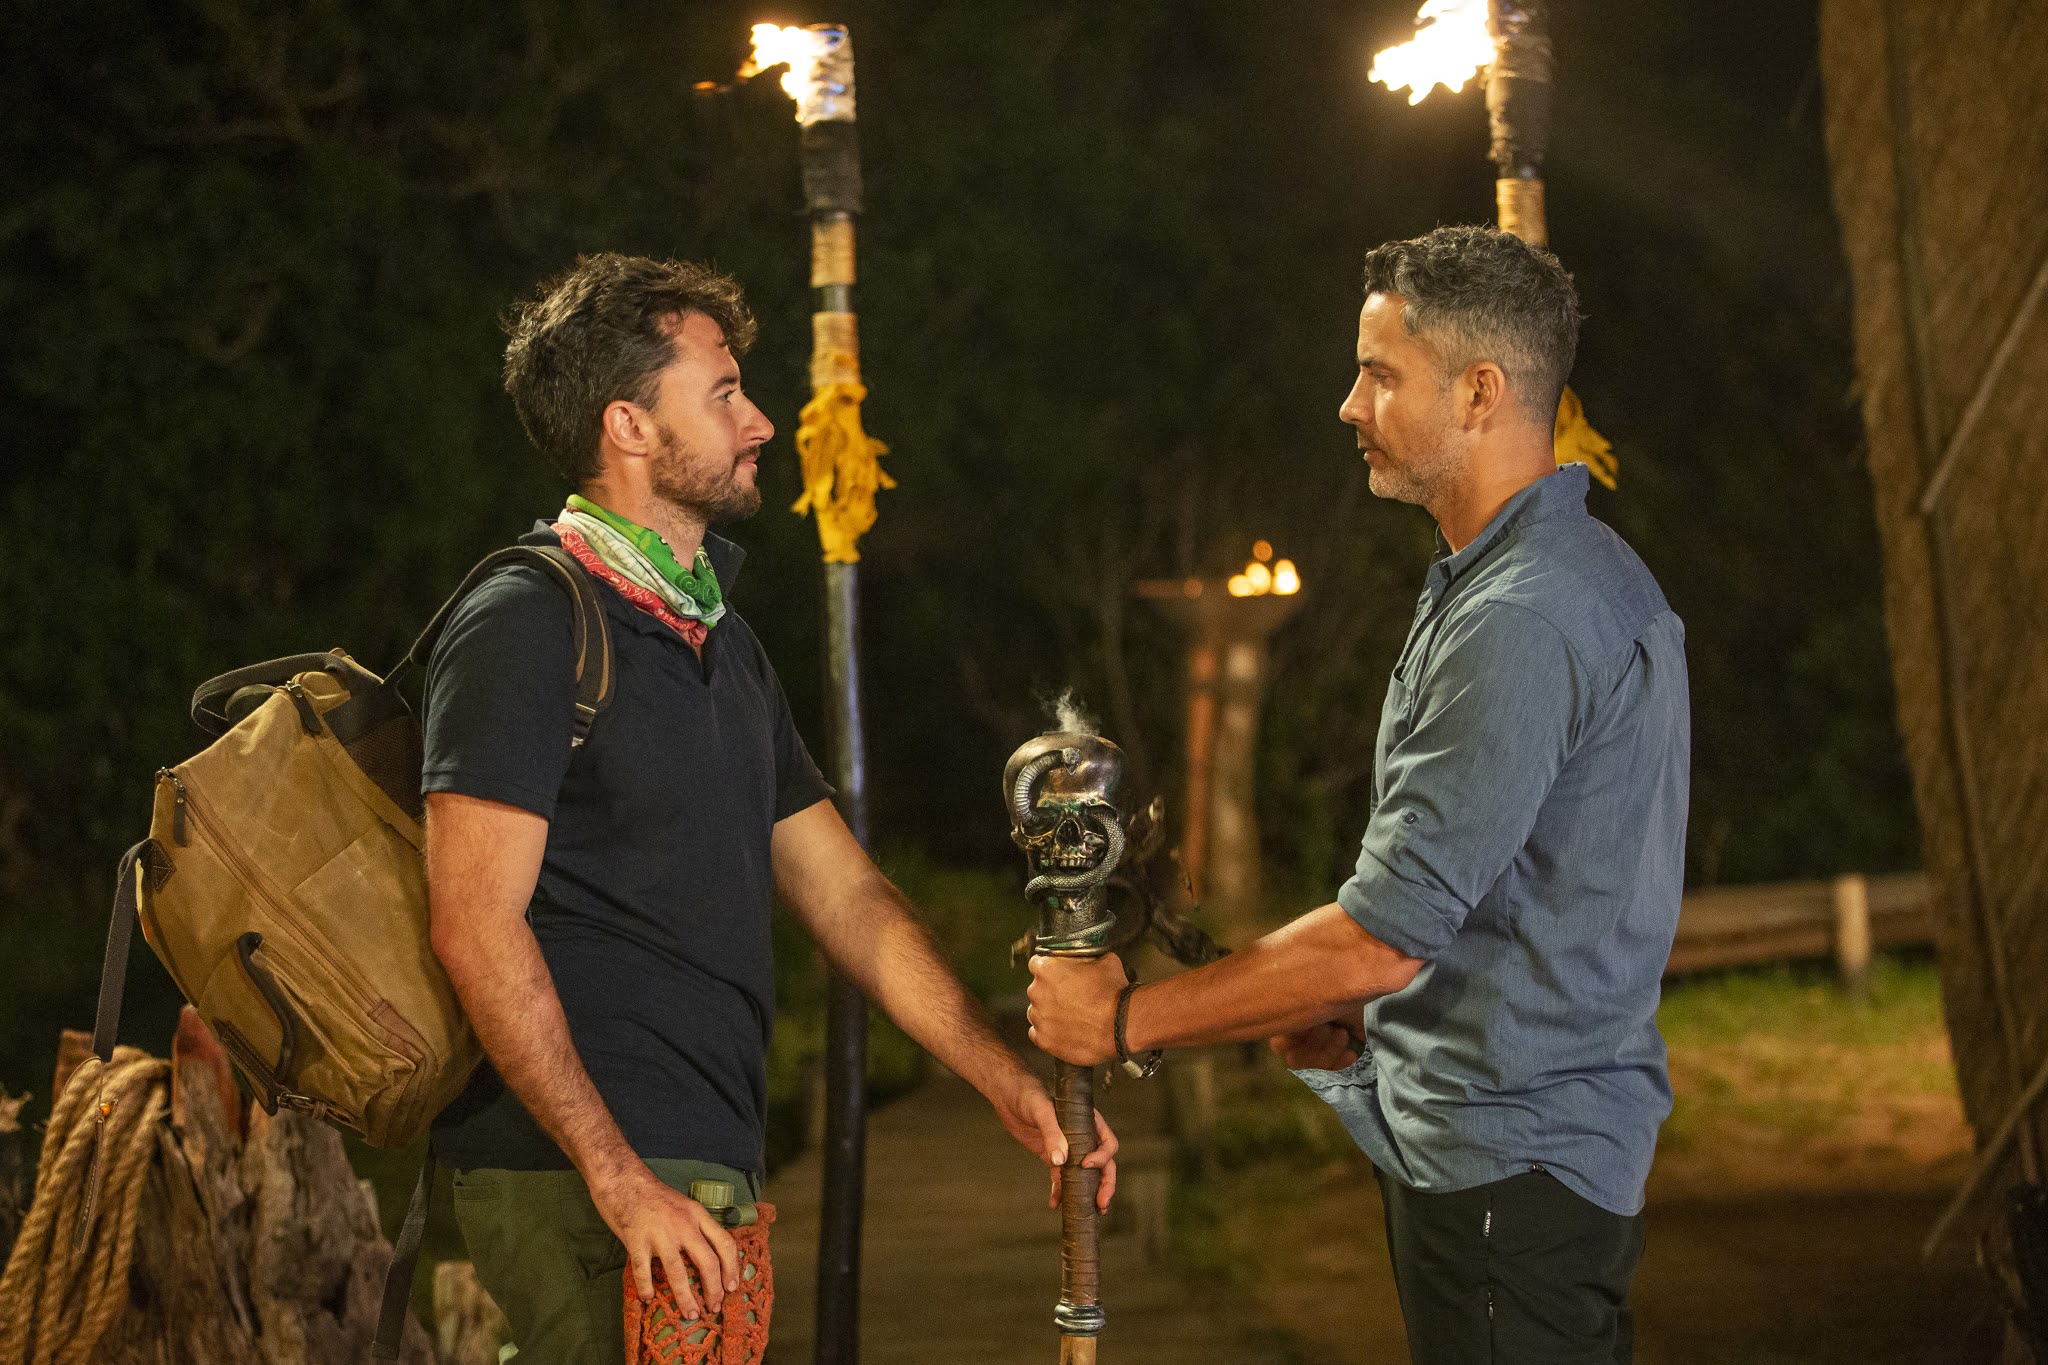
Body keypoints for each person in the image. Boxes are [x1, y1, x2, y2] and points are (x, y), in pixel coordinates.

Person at [423, 253, 1115, 1363]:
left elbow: (847, 895)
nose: (760, 423)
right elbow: (472, 919)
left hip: (701, 1170)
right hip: (581, 1180)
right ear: (629, 427)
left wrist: (1002, 1078)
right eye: (724, 393)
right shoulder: (527, 619)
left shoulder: (721, 641)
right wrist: (618, 1178)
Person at [1027, 225, 1688, 1364]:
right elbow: (1515, 892)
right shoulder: (1545, 579)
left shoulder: (1521, 618)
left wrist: (1125, 1021)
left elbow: (1383, 937)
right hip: (1514, 1157)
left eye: (1381, 374)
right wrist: (1360, 1019)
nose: (1349, 405)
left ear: (1479, 392)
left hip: (1509, 1168)